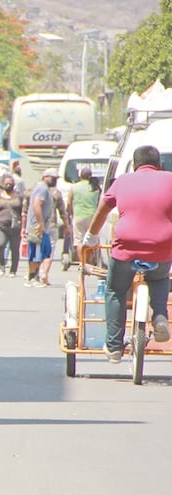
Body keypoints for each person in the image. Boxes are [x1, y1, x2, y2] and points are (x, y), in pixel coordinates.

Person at [83, 145, 172, 363]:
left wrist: (91, 237)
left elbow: (102, 211)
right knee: (160, 278)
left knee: (115, 291)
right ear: (159, 166)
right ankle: (160, 316)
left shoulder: (122, 180)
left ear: (134, 165)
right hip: (162, 245)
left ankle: (114, 347)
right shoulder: (170, 179)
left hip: (126, 246)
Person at [24, 168, 57, 287]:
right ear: (46, 177)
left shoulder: (44, 189)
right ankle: (33, 277)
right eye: (53, 178)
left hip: (41, 226)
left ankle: (33, 276)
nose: (55, 180)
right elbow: (37, 205)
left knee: (44, 252)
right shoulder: (42, 188)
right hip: (37, 226)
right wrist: (40, 223)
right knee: (37, 252)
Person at [67, 166, 101, 263]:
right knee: (90, 240)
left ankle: (82, 263)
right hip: (93, 217)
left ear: (80, 176)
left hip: (78, 216)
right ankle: (89, 262)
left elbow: (69, 203)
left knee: (79, 241)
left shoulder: (74, 187)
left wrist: (71, 212)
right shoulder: (95, 187)